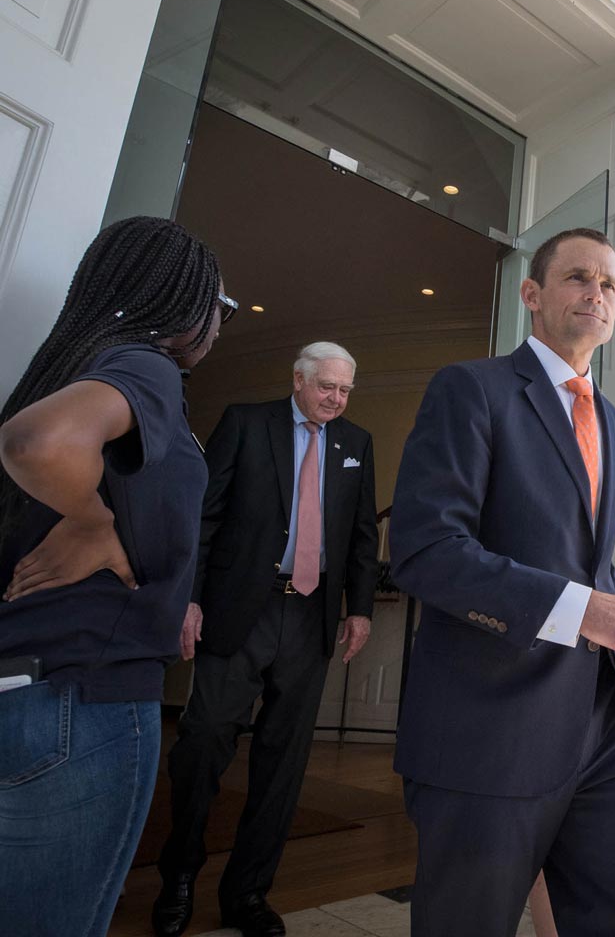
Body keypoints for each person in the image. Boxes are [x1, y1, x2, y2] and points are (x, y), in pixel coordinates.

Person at [389, 226, 615, 937]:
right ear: (532, 295)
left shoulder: (612, 422)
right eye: (578, 278)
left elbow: (585, 564)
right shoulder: (471, 390)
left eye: (610, 284)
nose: (597, 293)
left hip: (604, 724)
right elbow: (425, 549)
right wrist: (583, 610)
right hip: (488, 725)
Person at [0, 216, 230, 937]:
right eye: (215, 305)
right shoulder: (146, 365)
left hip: (22, 693)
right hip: (85, 703)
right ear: (178, 305)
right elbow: (38, 443)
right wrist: (96, 526)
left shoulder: (71, 364)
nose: (220, 322)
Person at [152, 341, 378, 937]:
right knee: (202, 742)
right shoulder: (247, 424)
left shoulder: (356, 443)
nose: (337, 398)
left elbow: (360, 537)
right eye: (327, 386)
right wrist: (190, 598)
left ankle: (248, 894)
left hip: (311, 618)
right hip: (240, 610)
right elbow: (206, 515)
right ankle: (178, 874)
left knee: (284, 763)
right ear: (298, 379)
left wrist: (360, 611)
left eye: (346, 390)